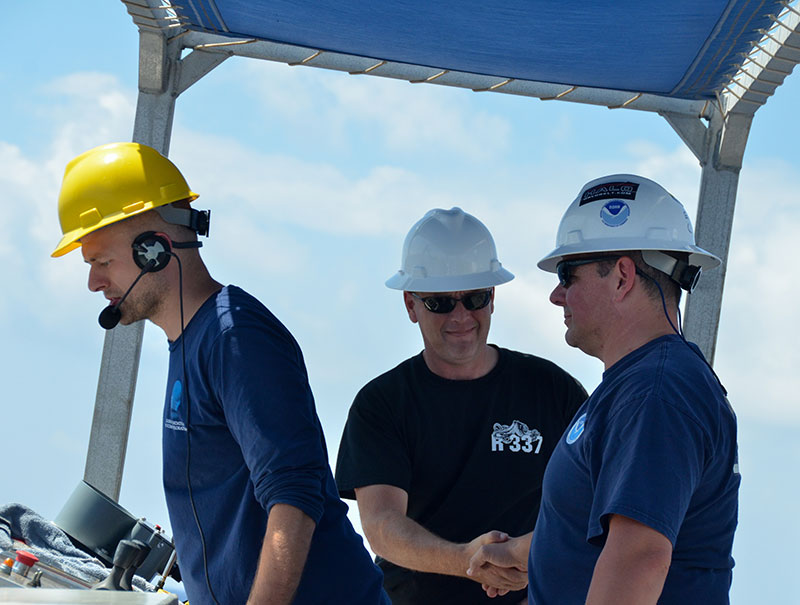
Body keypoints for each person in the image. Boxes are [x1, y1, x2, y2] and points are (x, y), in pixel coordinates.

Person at [52, 142, 389, 605]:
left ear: (153, 249)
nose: (93, 281)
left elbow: (294, 494)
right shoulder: (195, 340)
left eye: (100, 261)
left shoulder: (236, 337)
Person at [468, 174, 741, 604]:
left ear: (621, 277)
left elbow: (640, 557)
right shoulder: (640, 388)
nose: (557, 295)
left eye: (566, 274)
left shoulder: (656, 393)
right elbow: (612, 531)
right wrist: (527, 554)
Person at [335, 207, 587, 604]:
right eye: (440, 303)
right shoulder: (381, 404)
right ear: (411, 305)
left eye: (473, 298)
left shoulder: (553, 391)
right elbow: (382, 525)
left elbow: (591, 508)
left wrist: (530, 565)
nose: (460, 316)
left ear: (492, 299)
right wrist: (469, 560)